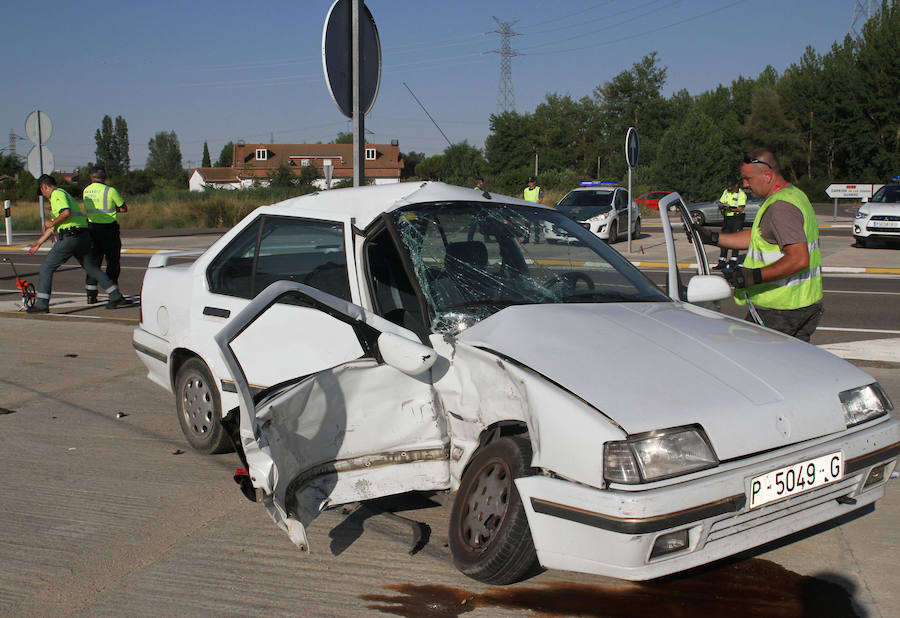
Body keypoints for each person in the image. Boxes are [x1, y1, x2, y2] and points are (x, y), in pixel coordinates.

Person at [693, 147, 823, 342]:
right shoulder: (793, 195)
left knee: (749, 359)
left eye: (748, 179)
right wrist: (712, 238)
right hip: (804, 303)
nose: (744, 185)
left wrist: (752, 277)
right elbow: (758, 238)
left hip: (781, 309)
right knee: (789, 366)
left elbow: (799, 259)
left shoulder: (781, 208)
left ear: (768, 175)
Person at [26, 174, 126, 313]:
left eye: (42, 192)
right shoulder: (65, 194)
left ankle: (42, 304)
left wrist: (52, 222)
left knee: (46, 268)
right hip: (83, 236)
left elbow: (65, 213)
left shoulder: (56, 195)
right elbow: (55, 226)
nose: (43, 195)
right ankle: (115, 295)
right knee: (91, 267)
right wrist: (38, 243)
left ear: (44, 187)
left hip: (70, 237)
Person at [82, 166, 128, 303]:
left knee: (94, 262)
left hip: (92, 229)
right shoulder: (110, 190)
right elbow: (123, 208)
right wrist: (115, 209)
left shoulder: (86, 191)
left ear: (91, 176)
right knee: (113, 262)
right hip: (109, 229)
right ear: (105, 177)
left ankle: (91, 294)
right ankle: (112, 293)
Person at [715, 179, 747, 271]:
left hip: (737, 218)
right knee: (723, 239)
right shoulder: (726, 192)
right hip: (727, 219)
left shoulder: (741, 194)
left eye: (731, 187)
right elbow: (721, 202)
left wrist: (730, 208)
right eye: (729, 186)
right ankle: (722, 261)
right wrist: (722, 205)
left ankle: (733, 261)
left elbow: (740, 209)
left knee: (735, 240)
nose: (730, 188)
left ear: (737, 185)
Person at [522, 176, 544, 243]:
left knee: (536, 225)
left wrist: (536, 205)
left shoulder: (538, 189)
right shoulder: (525, 190)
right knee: (526, 225)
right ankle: (526, 239)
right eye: (529, 182)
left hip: (535, 209)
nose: (530, 183)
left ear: (534, 182)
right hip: (527, 210)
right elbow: (523, 199)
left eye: (531, 182)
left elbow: (540, 199)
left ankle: (537, 240)